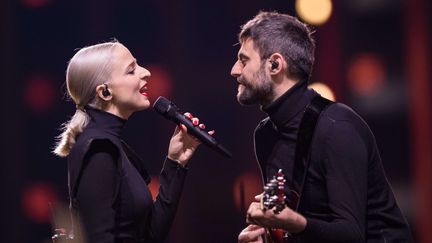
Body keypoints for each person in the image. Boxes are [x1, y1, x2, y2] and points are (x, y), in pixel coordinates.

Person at [232, 12, 412, 242]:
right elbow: (297, 227)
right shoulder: (265, 135)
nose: (235, 70)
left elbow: (352, 235)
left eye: (244, 60)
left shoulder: (337, 128)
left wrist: (293, 222)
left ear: (275, 64)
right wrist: (267, 237)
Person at [53, 40, 211, 243]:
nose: (146, 72)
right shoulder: (99, 149)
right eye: (131, 70)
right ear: (105, 92)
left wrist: (176, 162)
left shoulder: (113, 146)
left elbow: (150, 236)